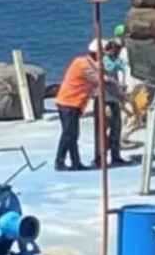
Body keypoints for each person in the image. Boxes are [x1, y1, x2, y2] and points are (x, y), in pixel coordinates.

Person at [54, 41, 115, 171]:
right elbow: (101, 79)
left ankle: (66, 162)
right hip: (68, 103)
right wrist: (116, 84)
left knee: (69, 134)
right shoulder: (83, 64)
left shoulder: (87, 62)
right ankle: (70, 162)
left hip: (72, 103)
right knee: (70, 134)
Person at [98, 39, 129, 167]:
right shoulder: (103, 62)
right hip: (107, 100)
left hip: (114, 99)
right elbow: (105, 78)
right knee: (108, 129)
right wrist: (117, 85)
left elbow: (123, 67)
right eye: (116, 49)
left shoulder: (115, 61)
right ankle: (103, 156)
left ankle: (115, 155)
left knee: (116, 129)